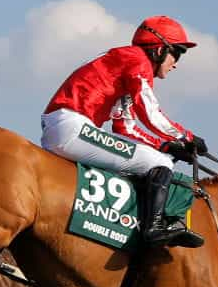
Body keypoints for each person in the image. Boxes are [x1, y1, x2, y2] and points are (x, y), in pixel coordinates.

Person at [41, 16, 206, 248]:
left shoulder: (127, 61)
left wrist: (164, 145)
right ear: (159, 50)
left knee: (158, 157)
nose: (176, 63)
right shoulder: (138, 62)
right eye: (176, 53)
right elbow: (149, 112)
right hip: (72, 126)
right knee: (161, 165)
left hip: (67, 125)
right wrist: (186, 137)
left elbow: (124, 125)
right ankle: (154, 229)